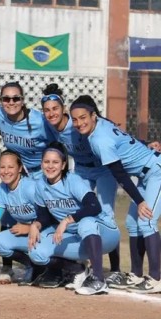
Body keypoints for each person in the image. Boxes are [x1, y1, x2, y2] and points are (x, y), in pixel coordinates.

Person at [70, 95, 161, 294]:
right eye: (75, 119)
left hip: (156, 171)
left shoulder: (99, 140)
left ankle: (156, 278)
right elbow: (126, 140)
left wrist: (140, 201)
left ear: (94, 115)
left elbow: (118, 173)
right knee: (131, 223)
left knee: (146, 220)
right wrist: (145, 144)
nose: (79, 123)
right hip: (145, 173)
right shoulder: (102, 123)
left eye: (83, 117)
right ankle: (136, 274)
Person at [40, 83, 120, 275]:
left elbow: (108, 128)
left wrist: (143, 143)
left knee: (106, 216)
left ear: (64, 109)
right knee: (79, 211)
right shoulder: (50, 127)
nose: (51, 114)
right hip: (82, 170)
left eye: (55, 109)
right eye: (47, 111)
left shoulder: (75, 123)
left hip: (102, 169)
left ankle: (115, 269)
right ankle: (83, 262)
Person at [28, 142, 120, 295]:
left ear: (63, 164)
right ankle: (77, 269)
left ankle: (98, 279)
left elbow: (94, 206)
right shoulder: (40, 185)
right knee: (36, 251)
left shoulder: (73, 180)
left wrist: (67, 220)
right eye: (46, 161)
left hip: (104, 234)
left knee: (85, 223)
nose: (50, 166)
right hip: (78, 239)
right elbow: (44, 215)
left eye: (55, 162)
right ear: (41, 163)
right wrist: (35, 224)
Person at [0, 150, 44, 285]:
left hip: (44, 232)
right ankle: (31, 265)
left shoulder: (30, 187)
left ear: (20, 169)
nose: (5, 171)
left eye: (10, 167)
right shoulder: (2, 189)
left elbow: (50, 215)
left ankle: (71, 268)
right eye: (2, 167)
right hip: (29, 235)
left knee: (41, 253)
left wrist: (29, 227)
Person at [0, 81, 56, 179]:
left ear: (22, 101)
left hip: (43, 173)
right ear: (1, 101)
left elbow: (58, 145)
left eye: (16, 99)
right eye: (6, 99)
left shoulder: (39, 122)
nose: (11, 103)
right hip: (19, 174)